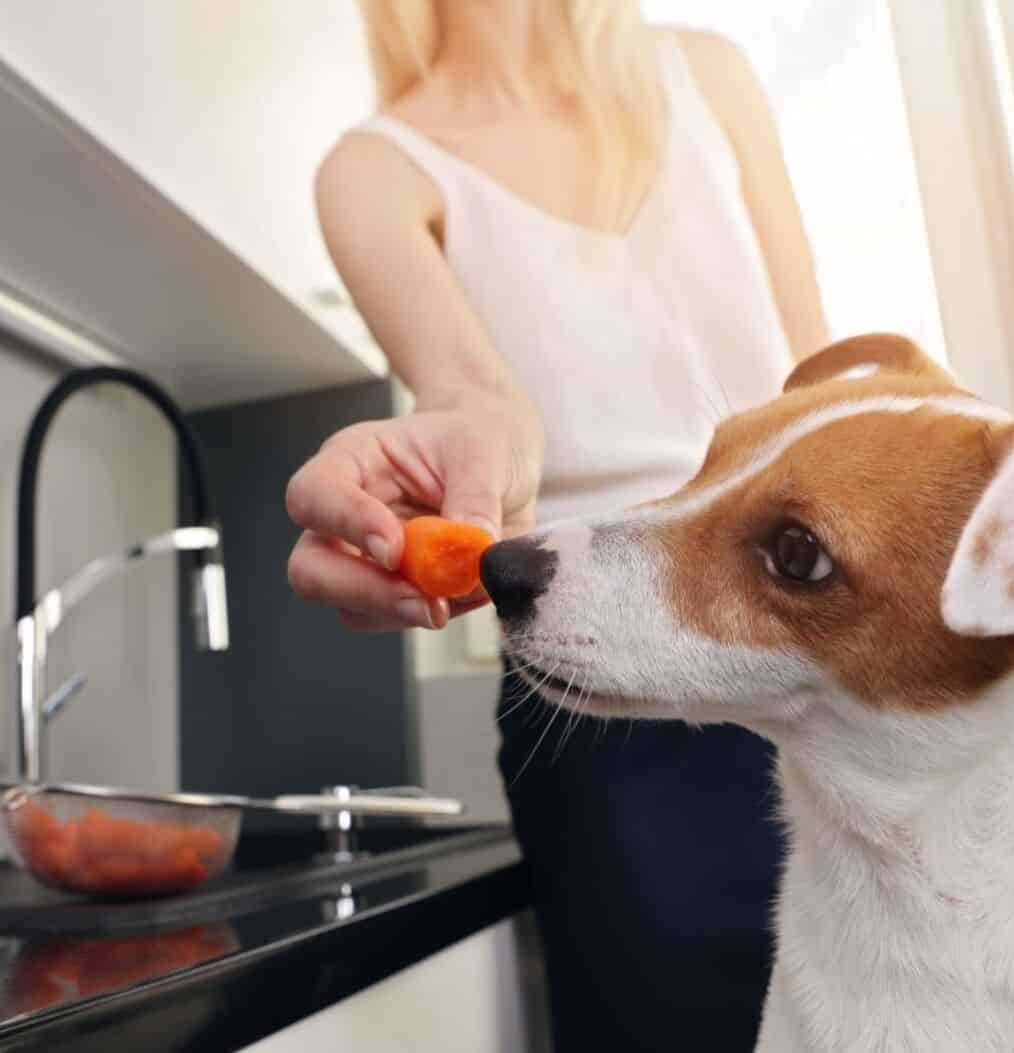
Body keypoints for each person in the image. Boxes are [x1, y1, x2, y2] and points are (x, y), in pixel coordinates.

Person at [286, 1, 829, 1048]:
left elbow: (823, 392)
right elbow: (477, 395)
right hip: (605, 704)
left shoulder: (706, 74)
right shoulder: (375, 170)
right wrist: (482, 466)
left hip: (815, 655)